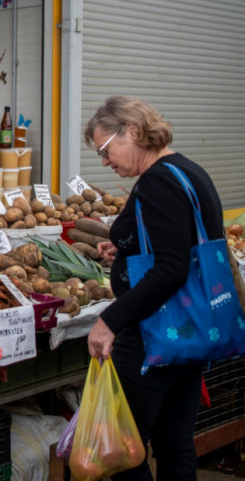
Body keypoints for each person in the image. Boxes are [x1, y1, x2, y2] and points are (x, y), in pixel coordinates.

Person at [84, 95, 223, 480]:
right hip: (189, 332)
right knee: (175, 446)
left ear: (131, 130)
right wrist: (126, 251)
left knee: (122, 453)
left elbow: (172, 268)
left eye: (105, 150)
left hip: (152, 337)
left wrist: (109, 321)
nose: (105, 161)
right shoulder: (188, 171)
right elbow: (185, 247)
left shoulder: (158, 181)